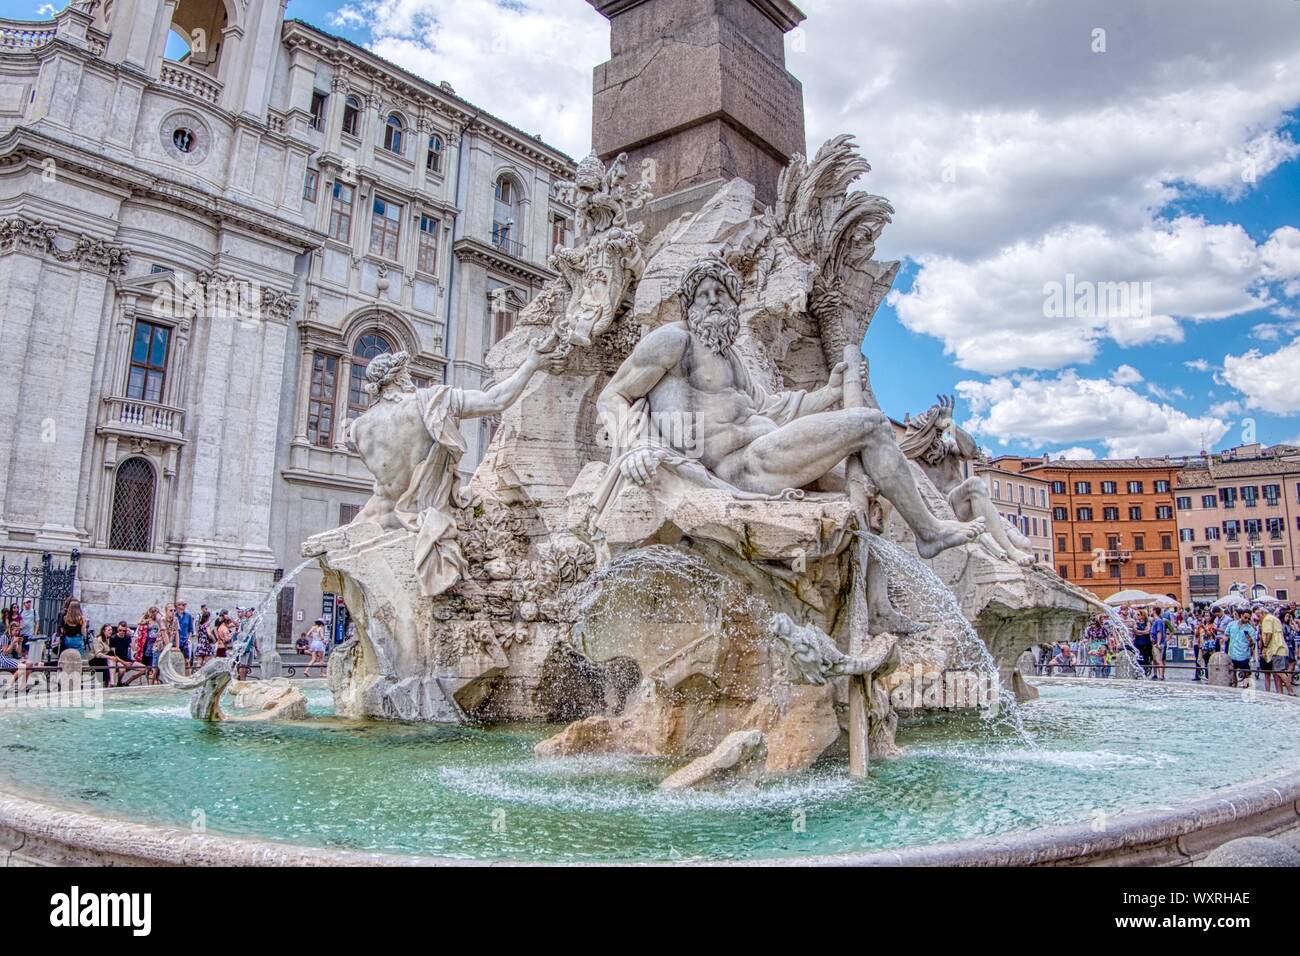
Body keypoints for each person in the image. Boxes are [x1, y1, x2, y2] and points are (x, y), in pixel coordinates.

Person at [1259, 606, 1289, 694]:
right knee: (1277, 673)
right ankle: (1279, 692)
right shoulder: (1275, 618)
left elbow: (1268, 634)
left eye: (1259, 615)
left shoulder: (1267, 619)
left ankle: (1290, 690)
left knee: (1278, 672)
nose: (1258, 618)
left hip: (1276, 649)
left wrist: (1265, 645)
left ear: (1263, 613)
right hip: (1281, 647)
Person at [1225, 608, 1257, 688]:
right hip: (1232, 654)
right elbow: (1226, 635)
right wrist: (1224, 639)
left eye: (1249, 619)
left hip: (1244, 655)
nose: (1247, 620)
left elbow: (1252, 645)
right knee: (1232, 674)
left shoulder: (1250, 629)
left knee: (1246, 674)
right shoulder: (1231, 624)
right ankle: (1234, 688)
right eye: (1245, 617)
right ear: (1241, 615)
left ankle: (1246, 688)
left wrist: (1250, 640)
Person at [0, 621, 33, 694]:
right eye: (16, 630)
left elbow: (19, 653)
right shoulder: (4, 637)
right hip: (3, 658)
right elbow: (5, 652)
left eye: (18, 631)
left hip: (11, 658)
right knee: (22, 666)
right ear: (11, 629)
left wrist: (20, 643)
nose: (17, 632)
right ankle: (9, 685)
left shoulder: (14, 638)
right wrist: (12, 643)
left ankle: (23, 686)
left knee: (29, 664)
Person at [1131, 611, 1154, 677]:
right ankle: (1138, 671)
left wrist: (1139, 632)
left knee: (1146, 658)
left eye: (1139, 614)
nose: (1137, 616)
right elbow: (1135, 631)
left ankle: (1145, 671)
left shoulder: (1147, 623)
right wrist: (1143, 632)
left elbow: (1148, 631)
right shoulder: (1136, 623)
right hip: (1138, 643)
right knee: (1138, 658)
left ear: (1143, 615)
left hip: (1146, 643)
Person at [1149, 609, 1167, 681]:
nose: (1150, 612)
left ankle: (1161, 676)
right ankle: (1160, 675)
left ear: (1154, 611)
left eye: (1151, 610)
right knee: (1157, 660)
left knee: (1159, 660)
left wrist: (1158, 643)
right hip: (1155, 643)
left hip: (1157, 643)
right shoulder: (1156, 621)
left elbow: (1159, 632)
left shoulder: (1158, 621)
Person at [176, 600, 194, 669]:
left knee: (186, 661)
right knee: (176, 660)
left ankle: (187, 677)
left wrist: (188, 639)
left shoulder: (188, 616)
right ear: (177, 606)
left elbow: (190, 630)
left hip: (185, 641)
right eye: (180, 605)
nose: (182, 607)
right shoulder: (174, 615)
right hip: (176, 642)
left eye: (184, 605)